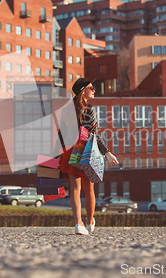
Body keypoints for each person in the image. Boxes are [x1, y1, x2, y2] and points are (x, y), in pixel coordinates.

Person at [57, 78, 119, 235]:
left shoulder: (66, 110)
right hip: (86, 151)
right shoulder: (89, 110)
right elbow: (95, 135)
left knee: (75, 189)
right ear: (83, 90)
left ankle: (78, 224)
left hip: (69, 151)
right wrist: (107, 153)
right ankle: (90, 222)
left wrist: (55, 155)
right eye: (91, 88)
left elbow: (61, 134)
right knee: (89, 189)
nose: (94, 90)